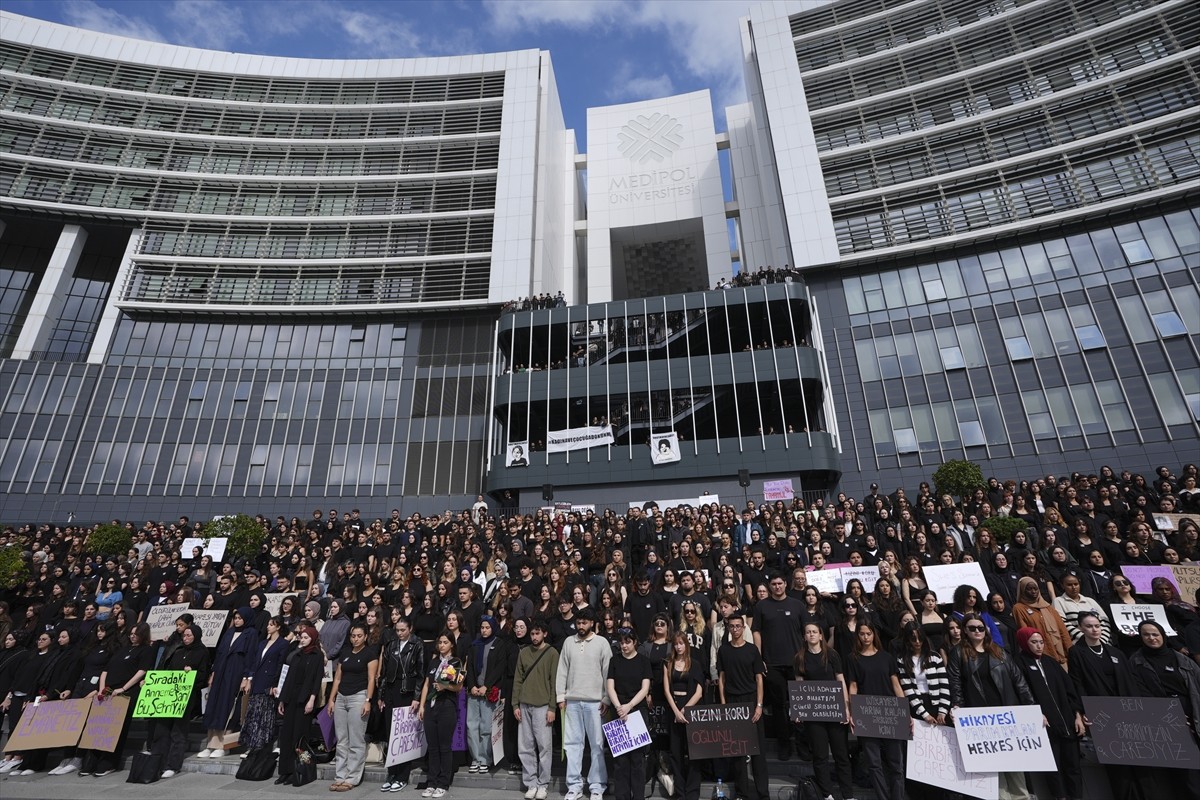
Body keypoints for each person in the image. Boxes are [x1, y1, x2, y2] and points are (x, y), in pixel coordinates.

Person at [947, 612, 1038, 800]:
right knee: (994, 771)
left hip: (1006, 715)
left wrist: (1032, 710)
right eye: (972, 628)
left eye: (980, 628)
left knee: (1014, 766)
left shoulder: (998, 651)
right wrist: (957, 707)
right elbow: (955, 683)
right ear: (965, 630)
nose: (977, 631)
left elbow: (1019, 681)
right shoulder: (958, 652)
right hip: (980, 719)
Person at [1066, 611, 1143, 800]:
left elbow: (1130, 681)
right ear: (1081, 628)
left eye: (1097, 626)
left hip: (1125, 711)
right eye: (1089, 626)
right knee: (1117, 764)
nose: (1094, 629)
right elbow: (1077, 682)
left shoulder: (1115, 652)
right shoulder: (1077, 652)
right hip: (1102, 713)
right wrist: (1082, 710)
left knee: (1137, 760)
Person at [1127, 620, 1200, 799]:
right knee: (1188, 774)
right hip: (1166, 721)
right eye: (1146, 635)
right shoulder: (1136, 662)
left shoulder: (1182, 659)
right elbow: (1141, 694)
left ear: (1163, 635)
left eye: (1155, 634)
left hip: (1194, 713)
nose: (1151, 638)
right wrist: (1168, 715)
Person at [1014, 627, 1085, 800]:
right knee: (1053, 768)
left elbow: (1069, 689)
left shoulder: (1050, 662)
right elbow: (1021, 693)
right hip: (1045, 725)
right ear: (1024, 643)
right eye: (1034, 642)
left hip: (1067, 722)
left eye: (1041, 642)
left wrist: (1078, 715)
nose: (1039, 646)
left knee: (1073, 766)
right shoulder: (1019, 663)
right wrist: (1034, 713)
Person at [555, 607, 611, 800]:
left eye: (584, 623)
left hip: (596, 702)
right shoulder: (568, 642)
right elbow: (562, 670)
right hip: (572, 701)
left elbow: (608, 672)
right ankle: (574, 786)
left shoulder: (602, 643)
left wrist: (606, 698)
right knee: (572, 745)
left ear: (592, 623)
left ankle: (597, 786)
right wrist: (560, 696)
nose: (581, 626)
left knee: (597, 745)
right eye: (578, 623)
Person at [85, 622, 155, 776]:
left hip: (125, 692)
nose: (132, 636)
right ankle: (91, 761)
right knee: (99, 727)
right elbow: (106, 670)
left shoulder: (146, 650)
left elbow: (142, 671)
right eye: (131, 633)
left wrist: (123, 688)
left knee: (117, 729)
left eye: (136, 634)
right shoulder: (122, 649)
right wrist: (102, 689)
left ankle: (108, 763)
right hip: (108, 691)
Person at [847, 622, 907, 800]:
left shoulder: (887, 657)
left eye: (869, 633)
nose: (866, 637)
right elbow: (853, 687)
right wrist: (853, 712)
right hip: (866, 713)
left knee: (896, 764)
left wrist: (905, 712)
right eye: (862, 634)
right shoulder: (853, 658)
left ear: (874, 635)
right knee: (874, 764)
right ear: (858, 636)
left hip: (890, 712)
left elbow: (896, 685)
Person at [750, 570, 806, 759]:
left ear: (786, 584)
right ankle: (784, 744)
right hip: (772, 664)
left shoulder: (798, 605)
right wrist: (759, 658)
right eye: (773, 584)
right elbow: (756, 632)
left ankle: (802, 744)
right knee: (779, 705)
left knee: (800, 704)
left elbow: (806, 632)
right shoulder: (761, 606)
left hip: (796, 663)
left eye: (780, 583)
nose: (777, 587)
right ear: (770, 586)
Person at [716, 615, 769, 800]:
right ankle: (741, 794)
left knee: (758, 751)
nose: (735, 629)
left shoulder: (752, 649)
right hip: (732, 701)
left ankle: (763, 794)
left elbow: (759, 679)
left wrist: (759, 705)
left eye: (738, 626)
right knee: (737, 750)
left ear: (743, 627)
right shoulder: (723, 650)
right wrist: (724, 705)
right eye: (732, 626)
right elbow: (721, 679)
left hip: (752, 700)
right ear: (728, 628)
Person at [200, 607, 259, 757]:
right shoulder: (229, 632)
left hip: (236, 673)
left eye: (240, 618)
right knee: (215, 705)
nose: (237, 621)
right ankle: (211, 744)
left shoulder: (251, 633)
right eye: (236, 618)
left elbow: (251, 656)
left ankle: (223, 745)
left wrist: (247, 678)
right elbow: (219, 653)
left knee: (228, 706)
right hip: (221, 672)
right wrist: (213, 673)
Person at [326, 621, 378, 791]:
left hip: (359, 696)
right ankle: (340, 776)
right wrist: (331, 699)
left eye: (359, 636)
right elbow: (338, 678)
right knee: (341, 740)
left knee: (356, 739)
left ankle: (352, 778)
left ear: (365, 637)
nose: (356, 639)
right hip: (341, 697)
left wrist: (368, 700)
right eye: (353, 636)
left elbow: (371, 679)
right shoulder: (346, 653)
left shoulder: (370, 654)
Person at [154, 624, 209, 779]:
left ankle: (173, 764)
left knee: (178, 731)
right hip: (169, 694)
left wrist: (192, 673)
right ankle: (158, 761)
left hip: (186, 695)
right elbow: (168, 671)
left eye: (189, 635)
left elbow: (203, 675)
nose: (185, 638)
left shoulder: (202, 652)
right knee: (162, 729)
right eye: (184, 635)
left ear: (196, 636)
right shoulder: (178, 651)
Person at [513, 618, 559, 800]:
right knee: (525, 746)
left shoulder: (552, 653)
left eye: (537, 633)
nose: (534, 636)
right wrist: (515, 704)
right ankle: (531, 783)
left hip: (543, 705)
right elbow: (517, 679)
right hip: (524, 703)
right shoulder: (524, 652)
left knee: (544, 746)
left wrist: (552, 707)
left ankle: (543, 784)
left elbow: (554, 682)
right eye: (532, 633)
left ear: (544, 634)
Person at [378, 616, 425, 792]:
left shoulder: (417, 644)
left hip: (407, 691)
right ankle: (392, 773)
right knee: (391, 732)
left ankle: (402, 776)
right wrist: (381, 695)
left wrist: (416, 696)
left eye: (403, 630)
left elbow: (420, 672)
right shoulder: (391, 644)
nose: (400, 633)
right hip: (391, 689)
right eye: (397, 630)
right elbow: (384, 672)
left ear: (410, 629)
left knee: (404, 733)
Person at [606, 627, 652, 800]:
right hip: (618, 710)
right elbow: (610, 687)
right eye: (622, 642)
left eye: (628, 642)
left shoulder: (643, 661)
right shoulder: (614, 660)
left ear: (635, 642)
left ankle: (638, 796)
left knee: (638, 759)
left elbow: (645, 688)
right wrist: (619, 707)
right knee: (620, 760)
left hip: (637, 711)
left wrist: (629, 706)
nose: (624, 646)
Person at [275, 624, 324, 786]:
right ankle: (285, 771)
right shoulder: (297, 654)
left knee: (300, 736)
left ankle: (300, 769)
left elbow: (316, 679)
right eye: (301, 637)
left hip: (305, 698)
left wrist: (311, 699)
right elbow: (288, 678)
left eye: (305, 637)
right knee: (287, 735)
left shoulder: (317, 655)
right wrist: (282, 699)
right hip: (291, 697)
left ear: (312, 638)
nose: (302, 640)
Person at [419, 631, 466, 799]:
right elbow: (426, 684)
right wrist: (422, 705)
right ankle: (431, 782)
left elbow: (458, 687)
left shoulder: (455, 662)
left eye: (445, 642)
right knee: (432, 747)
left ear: (452, 644)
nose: (442, 645)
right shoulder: (433, 661)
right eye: (440, 642)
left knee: (444, 747)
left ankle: (443, 783)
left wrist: (445, 686)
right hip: (431, 706)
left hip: (447, 706)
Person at [239, 614, 289, 755]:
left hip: (269, 682)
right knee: (253, 713)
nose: (268, 627)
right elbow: (255, 662)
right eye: (268, 624)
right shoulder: (262, 643)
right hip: (257, 680)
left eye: (271, 624)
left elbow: (280, 665)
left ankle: (260, 745)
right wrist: (249, 679)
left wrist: (275, 684)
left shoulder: (283, 644)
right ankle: (251, 745)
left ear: (278, 627)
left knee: (264, 714)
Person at [466, 615, 509, 774]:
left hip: (489, 691)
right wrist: (472, 685)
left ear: (493, 628)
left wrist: (486, 686)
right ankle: (475, 758)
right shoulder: (475, 644)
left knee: (486, 727)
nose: (484, 630)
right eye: (482, 627)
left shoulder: (499, 644)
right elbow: (470, 667)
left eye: (487, 627)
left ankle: (485, 759)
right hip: (474, 692)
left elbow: (500, 667)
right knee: (472, 727)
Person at [663, 631, 703, 800]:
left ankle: (692, 793)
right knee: (676, 753)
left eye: (681, 643)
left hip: (690, 708)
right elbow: (666, 690)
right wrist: (676, 711)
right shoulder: (668, 663)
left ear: (686, 645)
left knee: (694, 752)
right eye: (676, 644)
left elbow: (699, 692)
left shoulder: (695, 664)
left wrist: (685, 710)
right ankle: (680, 793)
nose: (679, 647)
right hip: (674, 709)